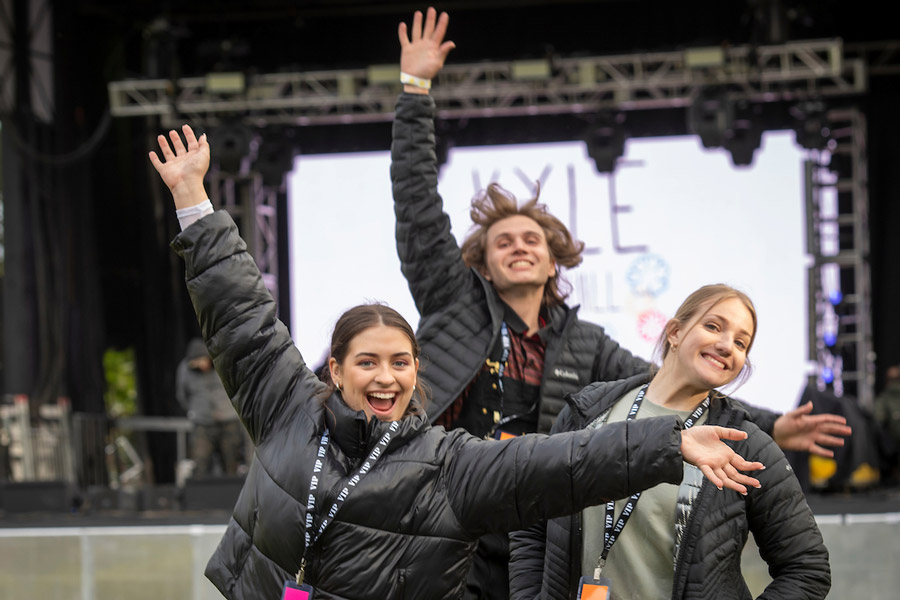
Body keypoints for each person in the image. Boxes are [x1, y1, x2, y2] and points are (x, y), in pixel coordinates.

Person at [149, 124, 764, 600]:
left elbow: (564, 461)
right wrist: (193, 202)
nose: (386, 377)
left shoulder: (447, 462)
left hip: (501, 540)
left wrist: (672, 442)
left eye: (400, 362)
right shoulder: (289, 404)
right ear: (333, 369)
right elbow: (243, 320)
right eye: (367, 362)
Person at [391, 7, 850, 598]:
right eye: (502, 242)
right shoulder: (453, 303)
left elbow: (669, 383)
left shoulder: (582, 345)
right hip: (457, 524)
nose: (519, 247)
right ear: (481, 261)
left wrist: (775, 425)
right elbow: (416, 206)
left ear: (553, 259)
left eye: (532, 238)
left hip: (538, 531)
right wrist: (414, 90)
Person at [509, 284, 831, 600]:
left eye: (740, 343)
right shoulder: (587, 411)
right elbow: (531, 512)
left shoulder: (745, 445)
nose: (726, 345)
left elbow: (807, 568)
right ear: (674, 332)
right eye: (713, 326)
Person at [176, 337, 245, 476]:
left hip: (228, 421)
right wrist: (196, 410)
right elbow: (182, 395)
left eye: (201, 360)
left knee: (231, 463)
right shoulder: (184, 369)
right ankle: (201, 496)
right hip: (202, 423)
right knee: (200, 463)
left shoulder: (224, 363)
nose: (199, 365)